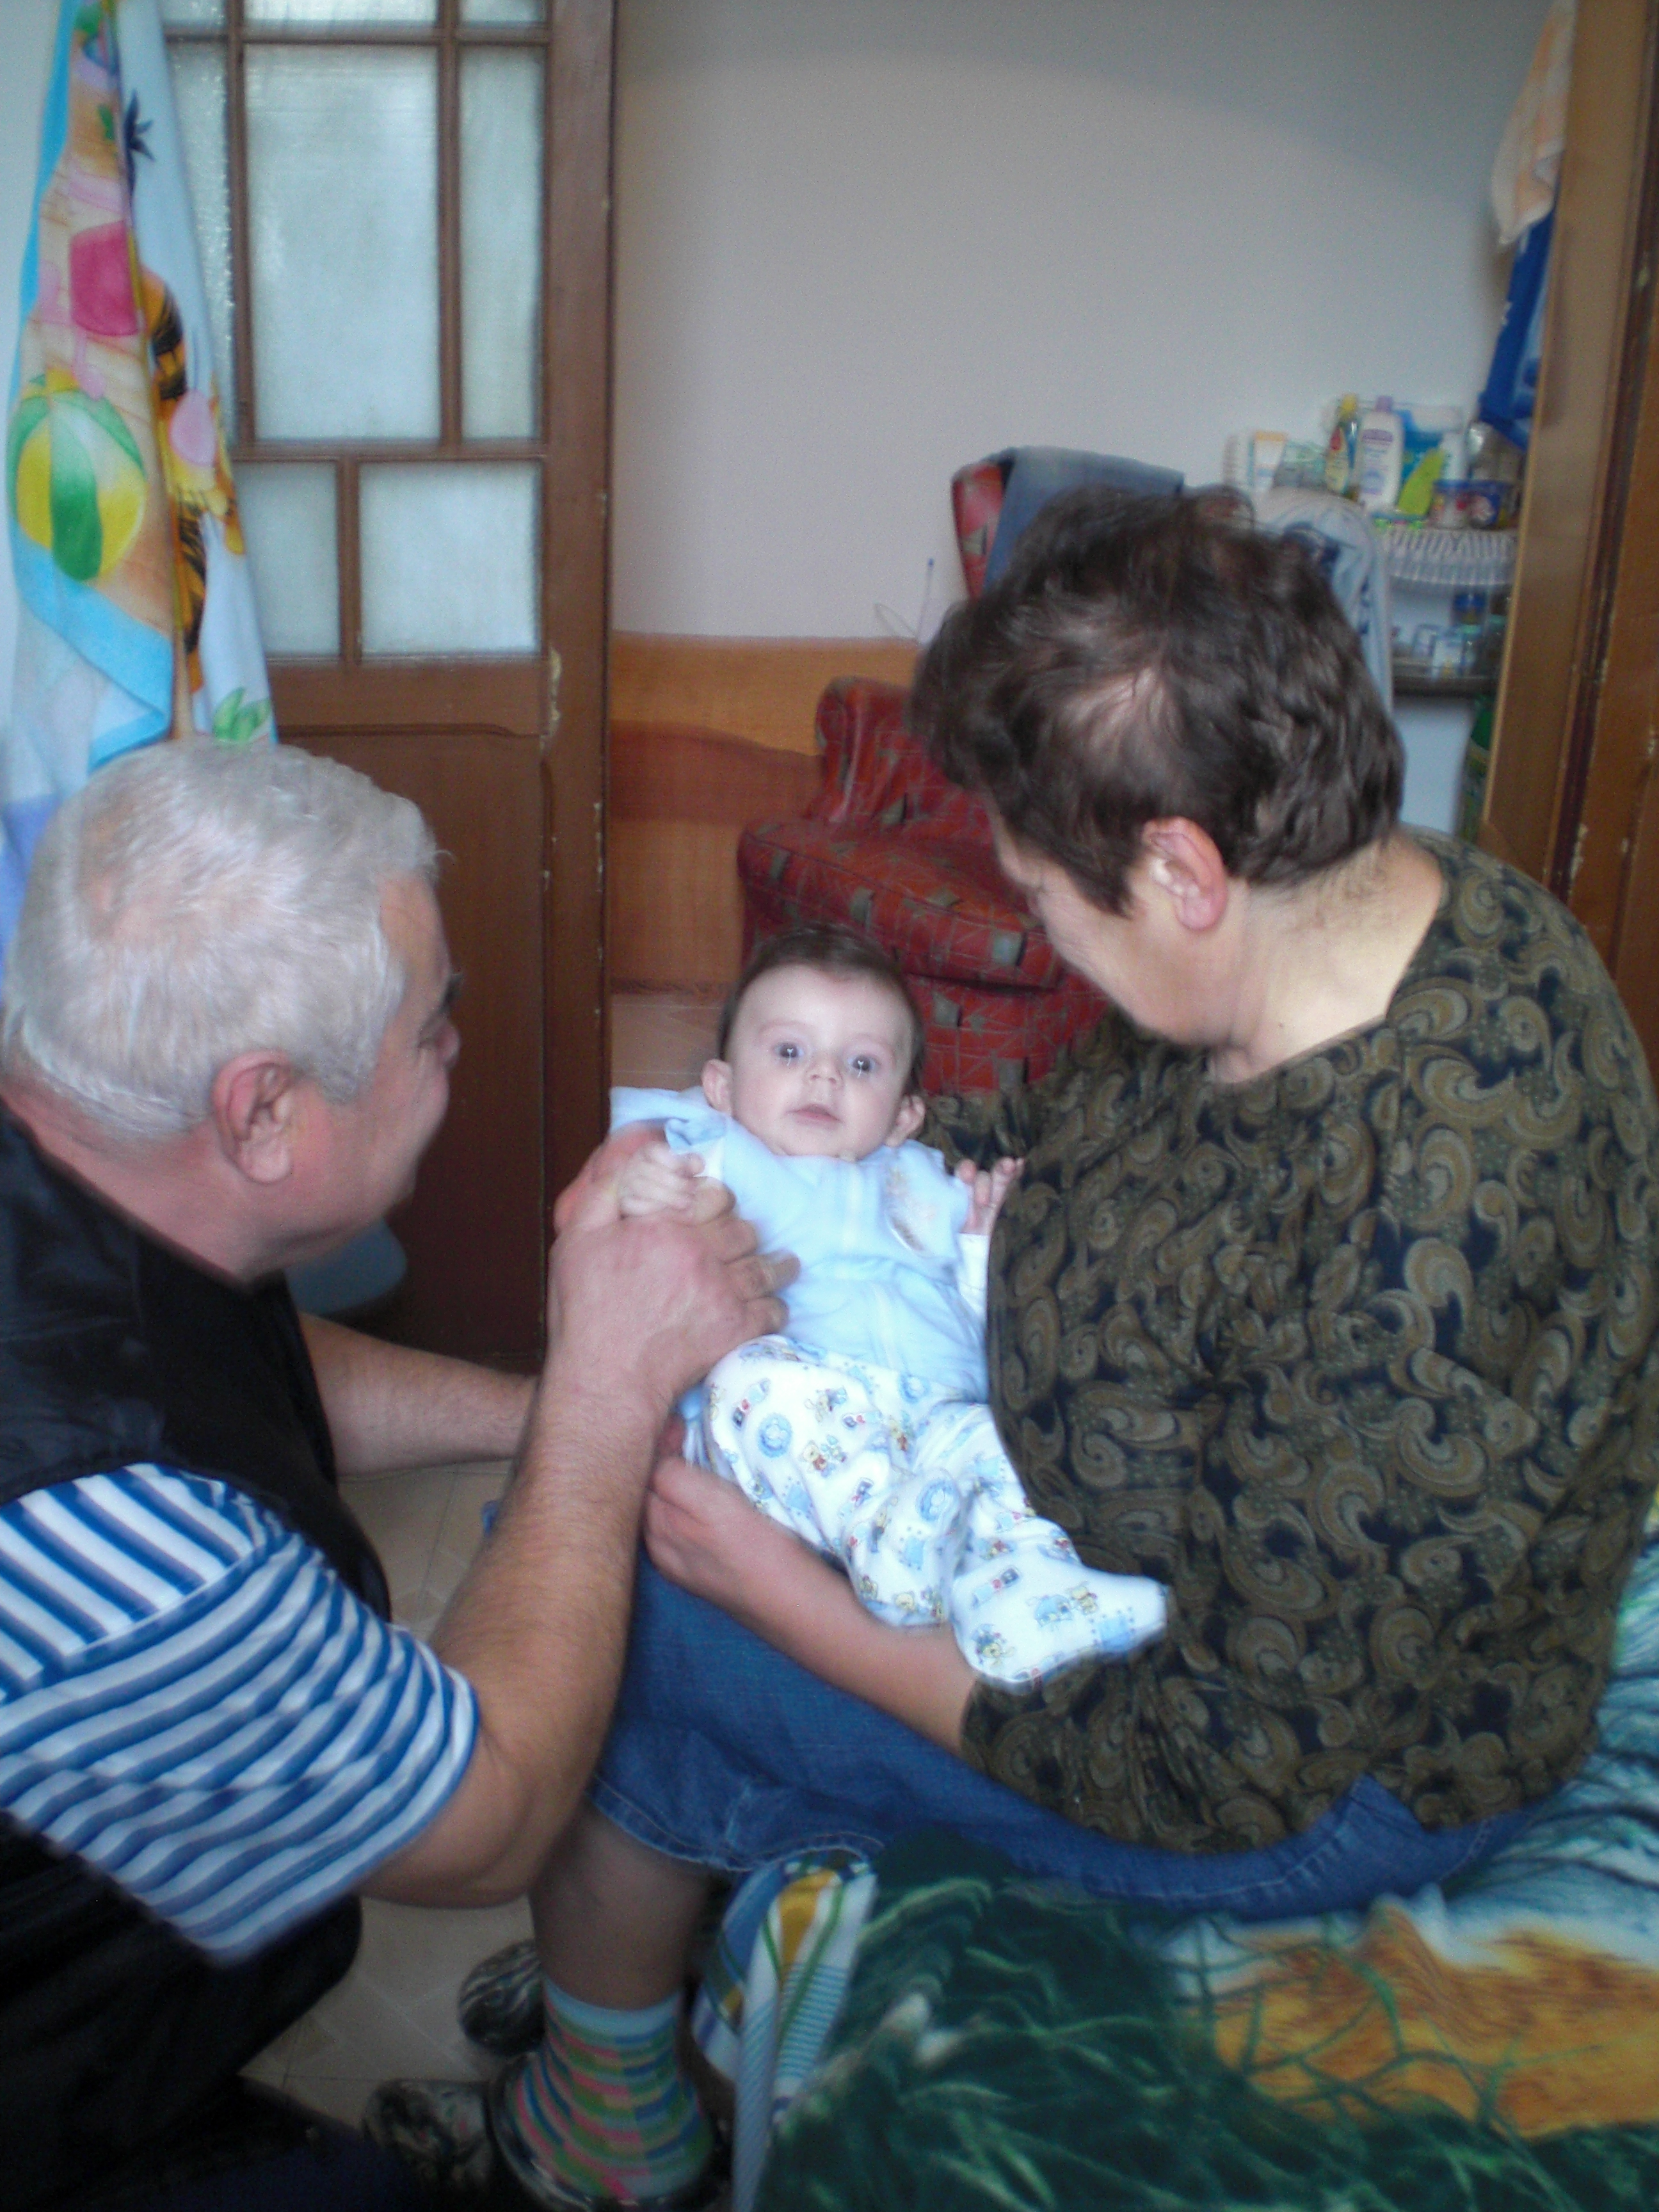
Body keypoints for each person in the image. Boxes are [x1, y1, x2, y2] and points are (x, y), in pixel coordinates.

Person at [424, 485, 1659, 2212]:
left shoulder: (1435, 1218)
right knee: (650, 1469)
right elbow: (1047, 1119)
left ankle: (606, 2108)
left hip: (1305, 1782)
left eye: (1050, 903)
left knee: (604, 1576)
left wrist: (796, 1605)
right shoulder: (1347, 921)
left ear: (1184, 871)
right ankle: (635, 1972)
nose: (1047, 935)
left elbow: (1211, 1760)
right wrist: (783, 1168)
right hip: (1035, 1517)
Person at [0, 739, 792, 2212]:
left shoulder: (76, 1147)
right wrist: (606, 1393)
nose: (455, 1049)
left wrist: (544, 1407)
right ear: (264, 1112)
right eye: (435, 1026)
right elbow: (489, 1814)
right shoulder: (110, 1531)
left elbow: (232, 1364)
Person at [610, 924, 1167, 1687]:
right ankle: (885, 1547)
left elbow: (976, 1315)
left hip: (931, 1410)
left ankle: (1031, 1595)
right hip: (792, 1407)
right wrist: (647, 1186)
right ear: (722, 1087)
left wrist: (986, 1243)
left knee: (999, 1445)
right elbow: (637, 1173)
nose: (824, 1077)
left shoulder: (925, 1184)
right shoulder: (726, 1157)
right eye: (789, 1052)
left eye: (862, 1064)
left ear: (905, 1116)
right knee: (754, 1384)